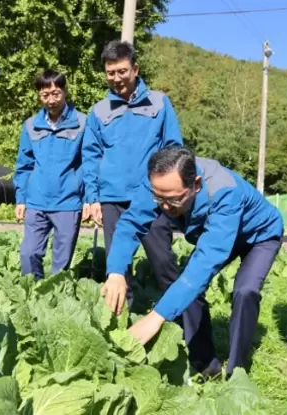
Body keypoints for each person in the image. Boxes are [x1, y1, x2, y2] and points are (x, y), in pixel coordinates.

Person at [100, 146, 284, 377]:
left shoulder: (224, 192)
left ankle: (237, 370)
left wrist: (156, 318)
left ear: (195, 185)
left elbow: (206, 262)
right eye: (160, 199)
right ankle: (206, 366)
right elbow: (130, 224)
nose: (165, 207)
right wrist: (116, 271)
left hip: (259, 235)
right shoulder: (161, 183)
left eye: (174, 200)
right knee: (190, 292)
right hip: (221, 234)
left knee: (245, 291)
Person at [81, 40, 183, 308]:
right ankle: (119, 328)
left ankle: (184, 319)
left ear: (135, 69)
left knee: (163, 262)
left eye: (122, 71)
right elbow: (90, 156)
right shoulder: (99, 111)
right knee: (117, 268)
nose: (116, 78)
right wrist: (92, 198)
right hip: (112, 198)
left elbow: (173, 148)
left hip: (151, 198)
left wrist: (168, 192)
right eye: (111, 73)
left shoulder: (160, 103)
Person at [13, 69, 87, 280]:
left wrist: (91, 199)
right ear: (39, 95)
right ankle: (35, 291)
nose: (51, 99)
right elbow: (24, 165)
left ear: (64, 91)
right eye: (45, 95)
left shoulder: (82, 123)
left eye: (56, 93)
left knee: (60, 263)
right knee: (29, 253)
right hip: (36, 200)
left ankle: (55, 298)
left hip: (68, 202)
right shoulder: (30, 126)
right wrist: (21, 199)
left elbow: (90, 163)